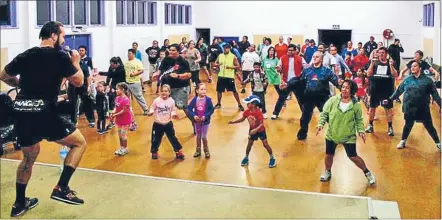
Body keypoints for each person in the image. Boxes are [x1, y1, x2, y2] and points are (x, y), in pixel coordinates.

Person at [0, 21, 87, 217]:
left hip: (22, 112)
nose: (63, 40)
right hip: (43, 112)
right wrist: (76, 63)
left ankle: (19, 203)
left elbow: (4, 75)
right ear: (54, 36)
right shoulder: (60, 56)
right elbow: (79, 81)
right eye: (63, 36)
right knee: (79, 143)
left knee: (29, 156)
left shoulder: (26, 54)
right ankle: (62, 188)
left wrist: (19, 84)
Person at [316, 80, 376, 185]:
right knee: (329, 154)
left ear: (352, 90)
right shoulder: (333, 100)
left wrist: (361, 130)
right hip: (332, 134)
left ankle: (367, 172)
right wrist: (320, 124)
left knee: (353, 156)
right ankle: (327, 171)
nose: (344, 90)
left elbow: (359, 120)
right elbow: (324, 113)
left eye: (347, 88)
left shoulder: (356, 105)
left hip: (348, 136)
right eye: (343, 87)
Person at [390, 61, 441, 151]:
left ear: (420, 68)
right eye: (411, 66)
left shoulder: (428, 81)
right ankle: (403, 141)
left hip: (423, 108)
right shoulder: (407, 79)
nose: (412, 68)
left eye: (415, 66)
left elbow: (435, 95)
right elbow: (399, 91)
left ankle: (438, 143)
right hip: (409, 107)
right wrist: (390, 99)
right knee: (408, 125)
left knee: (429, 126)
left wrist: (441, 104)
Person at [297, 51, 341, 140]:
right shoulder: (307, 70)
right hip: (309, 97)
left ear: (321, 59)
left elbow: (336, 82)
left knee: (328, 116)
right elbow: (299, 82)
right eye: (313, 56)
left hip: (322, 98)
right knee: (304, 118)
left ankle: (336, 133)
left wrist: (341, 84)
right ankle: (303, 132)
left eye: (317, 57)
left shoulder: (326, 70)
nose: (314, 58)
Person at [154, 44, 194, 134]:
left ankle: (194, 122)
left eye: (173, 50)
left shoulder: (183, 61)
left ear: (178, 51)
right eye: (170, 50)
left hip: (181, 87)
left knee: (182, 106)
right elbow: (161, 70)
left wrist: (179, 75)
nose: (171, 52)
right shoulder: (166, 59)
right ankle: (164, 127)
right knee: (164, 107)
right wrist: (156, 74)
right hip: (168, 87)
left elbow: (189, 74)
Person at [228, 95, 276, 168]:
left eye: (248, 103)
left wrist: (255, 130)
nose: (247, 104)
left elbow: (261, 124)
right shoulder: (247, 112)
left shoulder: (258, 112)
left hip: (261, 131)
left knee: (265, 144)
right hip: (252, 131)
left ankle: (272, 157)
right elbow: (242, 119)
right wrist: (233, 122)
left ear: (254, 104)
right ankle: (246, 157)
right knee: (249, 144)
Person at [365, 47, 398, 136]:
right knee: (372, 108)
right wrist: (371, 64)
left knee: (387, 109)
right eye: (379, 53)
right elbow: (368, 74)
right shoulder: (374, 63)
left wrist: (391, 65)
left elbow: (395, 75)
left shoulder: (389, 63)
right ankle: (370, 125)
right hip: (375, 90)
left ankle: (390, 127)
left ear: (386, 54)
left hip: (386, 92)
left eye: (383, 52)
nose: (381, 54)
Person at [147, 84, 185, 160]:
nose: (164, 93)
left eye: (166, 91)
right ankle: (154, 151)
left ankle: (178, 151)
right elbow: (152, 107)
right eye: (162, 91)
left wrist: (174, 115)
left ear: (169, 92)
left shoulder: (171, 101)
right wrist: (151, 112)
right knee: (155, 139)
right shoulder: (157, 100)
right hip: (158, 124)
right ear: (160, 92)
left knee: (172, 138)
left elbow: (173, 110)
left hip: (168, 124)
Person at [271, 44, 304, 119]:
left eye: (292, 50)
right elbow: (279, 67)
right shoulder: (282, 58)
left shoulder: (300, 58)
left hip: (297, 82)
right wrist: (278, 69)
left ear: (295, 51)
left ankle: (305, 114)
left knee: (301, 99)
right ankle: (275, 114)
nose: (290, 52)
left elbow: (306, 68)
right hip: (286, 82)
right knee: (281, 98)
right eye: (289, 50)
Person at [213, 44, 245, 111]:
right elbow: (215, 63)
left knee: (234, 91)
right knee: (219, 91)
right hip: (221, 76)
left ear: (229, 49)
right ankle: (218, 103)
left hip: (229, 77)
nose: (225, 49)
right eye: (224, 48)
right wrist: (218, 65)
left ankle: (239, 104)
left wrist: (230, 67)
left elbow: (238, 66)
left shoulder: (233, 57)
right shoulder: (220, 55)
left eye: (227, 48)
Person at [187, 83, 215, 158]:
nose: (203, 91)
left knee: (203, 136)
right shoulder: (194, 100)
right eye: (201, 89)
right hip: (197, 122)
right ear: (197, 91)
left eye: (205, 89)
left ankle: (206, 151)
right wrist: (194, 115)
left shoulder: (208, 100)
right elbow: (189, 109)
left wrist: (205, 116)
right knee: (198, 136)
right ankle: (198, 150)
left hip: (205, 122)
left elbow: (211, 110)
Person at [109, 83, 132, 156]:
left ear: (123, 90)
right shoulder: (117, 98)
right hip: (119, 120)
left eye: (117, 89)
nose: (116, 90)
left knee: (123, 134)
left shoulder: (126, 100)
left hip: (125, 120)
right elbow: (116, 108)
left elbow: (124, 111)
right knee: (119, 135)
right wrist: (112, 112)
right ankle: (121, 147)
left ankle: (125, 149)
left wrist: (114, 115)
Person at [125, 48, 149, 115]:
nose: (128, 55)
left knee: (139, 96)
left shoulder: (137, 61)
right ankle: (128, 110)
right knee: (126, 98)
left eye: (130, 53)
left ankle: (146, 109)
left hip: (135, 82)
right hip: (127, 82)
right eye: (128, 53)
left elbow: (141, 70)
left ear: (133, 54)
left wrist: (134, 74)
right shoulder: (126, 62)